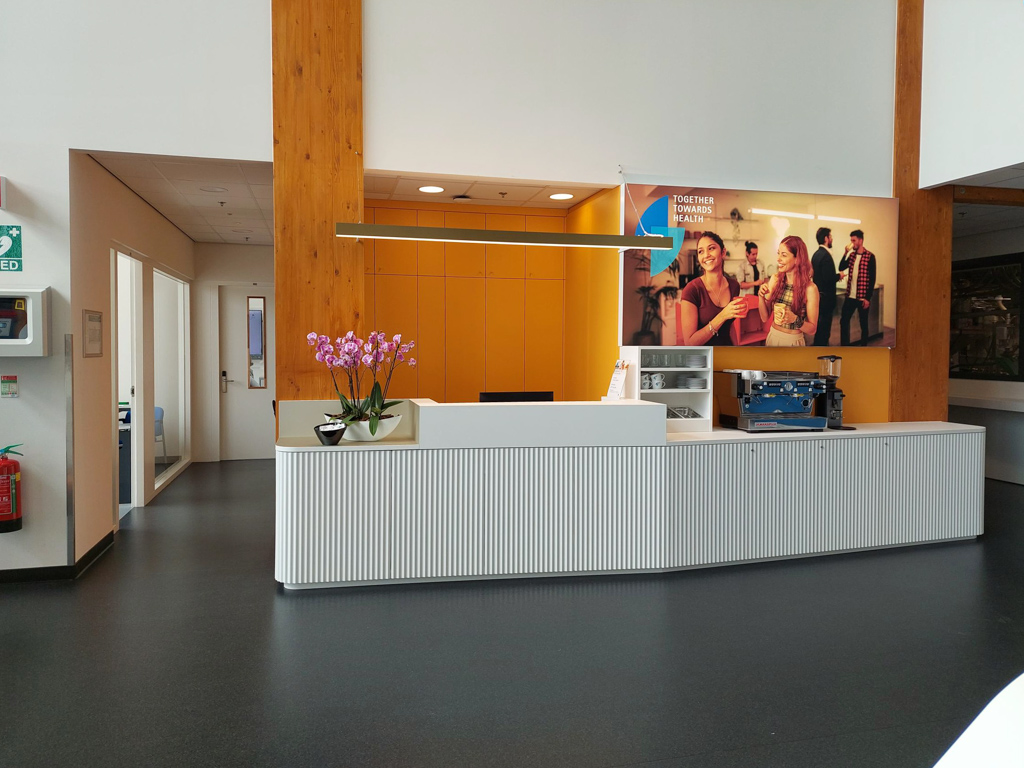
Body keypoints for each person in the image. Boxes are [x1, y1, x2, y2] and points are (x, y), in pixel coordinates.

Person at [678, 231, 745, 346]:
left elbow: (730, 327)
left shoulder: (734, 286)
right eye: (701, 251)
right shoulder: (692, 290)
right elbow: (690, 343)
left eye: (711, 248)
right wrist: (723, 315)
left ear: (723, 252)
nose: (706, 255)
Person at [757, 235, 819, 347]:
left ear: (797, 259)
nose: (778, 259)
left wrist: (794, 319)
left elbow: (812, 330)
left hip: (793, 342)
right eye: (778, 253)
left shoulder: (810, 288)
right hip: (773, 337)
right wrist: (761, 296)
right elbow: (764, 318)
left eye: (784, 255)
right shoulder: (775, 279)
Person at [838, 229, 877, 346]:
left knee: (863, 324)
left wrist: (868, 298)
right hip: (850, 296)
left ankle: (863, 347)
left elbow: (872, 279)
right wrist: (845, 253)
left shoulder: (870, 257)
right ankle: (845, 346)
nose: (852, 243)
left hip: (862, 298)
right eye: (851, 240)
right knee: (844, 321)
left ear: (860, 240)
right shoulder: (852, 256)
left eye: (854, 240)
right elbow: (841, 267)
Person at [810, 227, 841, 345]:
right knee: (825, 327)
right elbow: (828, 278)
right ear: (826, 238)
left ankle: (817, 345)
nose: (832, 239)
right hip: (827, 298)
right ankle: (821, 347)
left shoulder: (816, 255)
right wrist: (839, 276)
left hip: (818, 296)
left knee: (820, 325)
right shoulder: (826, 256)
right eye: (830, 236)